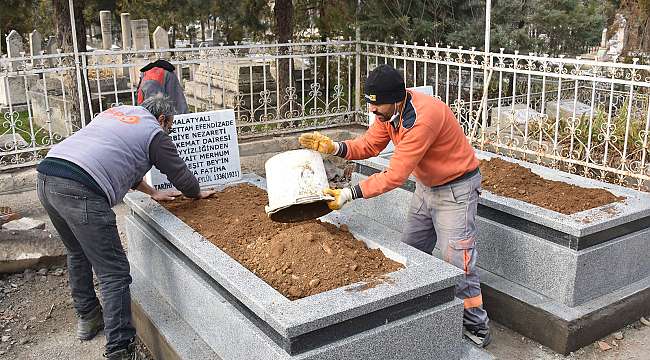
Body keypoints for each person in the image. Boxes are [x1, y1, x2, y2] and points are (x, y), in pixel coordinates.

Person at [299, 64, 491, 347]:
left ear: (397, 98)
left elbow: (395, 175)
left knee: (457, 262)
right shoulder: (389, 112)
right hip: (428, 187)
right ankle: (421, 313)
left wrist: (349, 194)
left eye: (378, 107)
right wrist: (335, 148)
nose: (373, 112)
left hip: (456, 190)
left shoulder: (422, 118)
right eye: (371, 105)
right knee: (410, 250)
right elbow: (370, 145)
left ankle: (476, 326)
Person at [36, 95, 215, 359]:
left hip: (47, 176)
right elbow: (179, 175)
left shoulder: (118, 113)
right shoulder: (155, 133)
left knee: (77, 253)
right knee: (114, 273)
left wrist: (151, 192)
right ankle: (120, 349)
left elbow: (117, 157)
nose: (169, 132)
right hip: (82, 189)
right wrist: (195, 193)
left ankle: (88, 318)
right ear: (163, 119)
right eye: (171, 126)